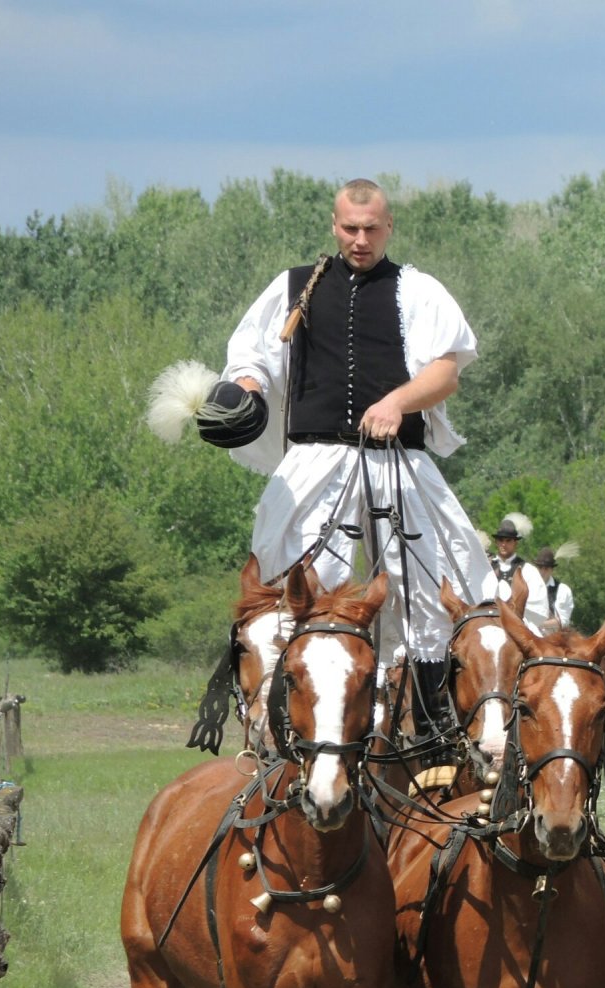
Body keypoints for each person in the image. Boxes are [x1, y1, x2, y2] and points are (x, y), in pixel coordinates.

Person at [207, 179, 491, 725]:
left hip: (397, 459)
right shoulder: (294, 286)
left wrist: (398, 402)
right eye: (350, 228)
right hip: (315, 459)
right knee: (287, 582)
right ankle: (280, 723)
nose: (361, 240)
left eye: (371, 229)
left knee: (436, 582)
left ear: (389, 227)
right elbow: (253, 354)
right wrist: (246, 387)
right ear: (334, 226)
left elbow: (446, 372)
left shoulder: (418, 290)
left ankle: (431, 724)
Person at [484, 513, 545, 613]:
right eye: (501, 540)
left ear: (515, 543)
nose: (504, 544)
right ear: (496, 542)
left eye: (508, 540)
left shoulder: (528, 571)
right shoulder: (486, 567)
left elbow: (538, 608)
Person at [531, 546, 576, 636]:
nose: (542, 572)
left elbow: (562, 622)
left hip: (554, 639)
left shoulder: (562, 590)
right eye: (540, 568)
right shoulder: (528, 588)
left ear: (552, 570)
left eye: (546, 568)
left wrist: (538, 624)